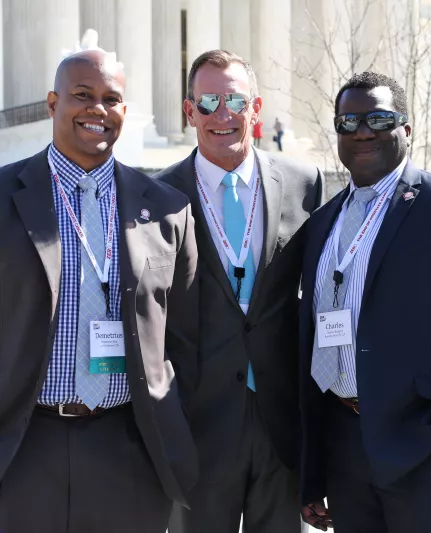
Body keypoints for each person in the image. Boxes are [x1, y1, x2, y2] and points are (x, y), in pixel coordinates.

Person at [0, 49, 199, 533]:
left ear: (125, 111)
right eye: (82, 95)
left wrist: (177, 438)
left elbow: (186, 340)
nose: (97, 109)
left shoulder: (168, 210)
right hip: (19, 452)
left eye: (111, 98)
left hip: (131, 452)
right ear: (52, 103)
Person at [298, 71, 431, 533]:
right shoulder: (321, 223)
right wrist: (314, 465)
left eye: (379, 118)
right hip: (343, 446)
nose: (363, 131)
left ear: (406, 129)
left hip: (424, 449)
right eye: (348, 122)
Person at [155, 50, 324, 533]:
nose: (222, 113)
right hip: (198, 426)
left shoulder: (303, 182)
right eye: (207, 101)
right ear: (190, 112)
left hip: (280, 424)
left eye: (234, 99)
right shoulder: (159, 196)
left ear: (256, 109)